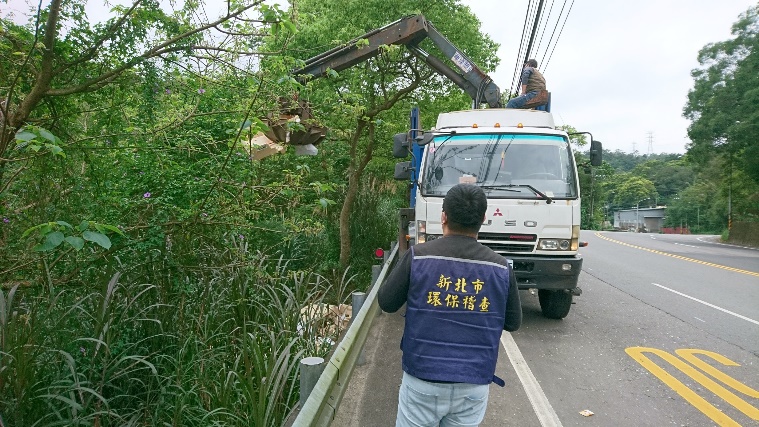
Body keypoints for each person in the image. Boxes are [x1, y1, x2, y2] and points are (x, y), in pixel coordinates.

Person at [378, 184, 522, 427]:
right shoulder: (501, 268)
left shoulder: (418, 257)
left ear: (443, 216)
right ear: (483, 219)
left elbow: (387, 302)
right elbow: (513, 322)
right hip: (473, 383)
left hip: (423, 378)